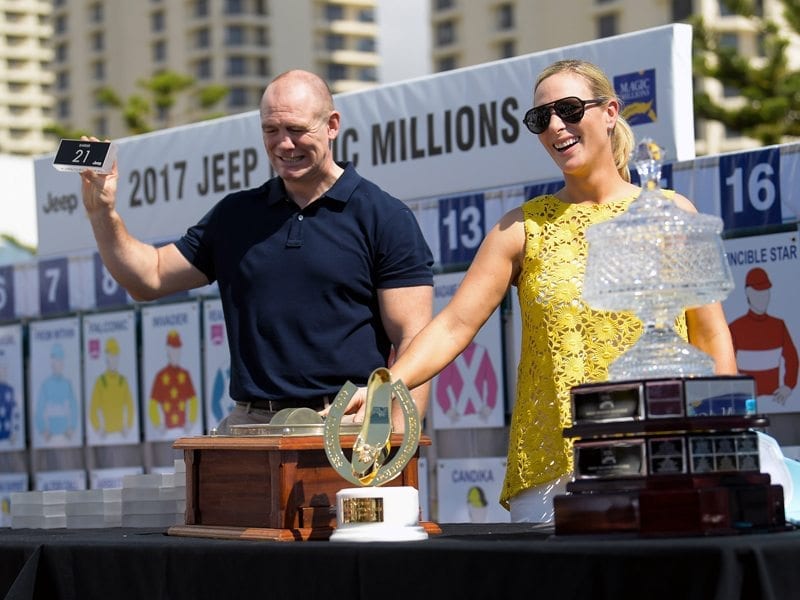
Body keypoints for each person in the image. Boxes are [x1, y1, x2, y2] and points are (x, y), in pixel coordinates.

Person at [348, 59, 737, 522]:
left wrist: (723, 440)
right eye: (541, 118)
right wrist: (389, 384)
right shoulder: (520, 229)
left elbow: (711, 339)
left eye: (570, 110)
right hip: (555, 475)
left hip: (664, 456)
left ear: (610, 112)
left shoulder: (671, 213)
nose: (556, 126)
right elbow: (454, 325)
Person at [80, 69, 434, 432]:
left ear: (332, 125)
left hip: (348, 424)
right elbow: (149, 278)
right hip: (250, 424)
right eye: (271, 130)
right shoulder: (236, 215)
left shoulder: (384, 217)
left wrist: (396, 440)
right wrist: (102, 212)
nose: (283, 144)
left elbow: (414, 340)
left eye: (296, 130)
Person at [729, 266, 798, 406]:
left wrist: (788, 386)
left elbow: (792, 359)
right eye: (758, 292)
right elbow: (725, 366)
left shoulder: (779, 326)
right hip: (745, 404)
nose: (763, 297)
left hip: (775, 402)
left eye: (766, 292)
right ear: (748, 292)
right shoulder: (735, 328)